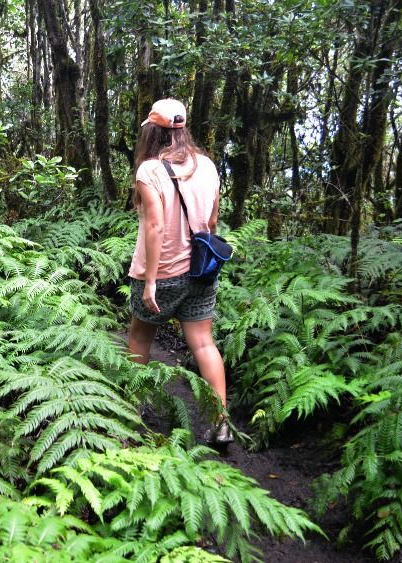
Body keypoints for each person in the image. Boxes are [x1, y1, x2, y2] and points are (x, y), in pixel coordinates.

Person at [127, 98, 232, 444]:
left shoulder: (149, 171)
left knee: (141, 336)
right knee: (203, 343)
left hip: (162, 273)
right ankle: (221, 423)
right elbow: (212, 222)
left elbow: (155, 227)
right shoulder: (207, 166)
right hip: (202, 271)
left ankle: (131, 411)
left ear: (153, 132)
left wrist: (151, 282)